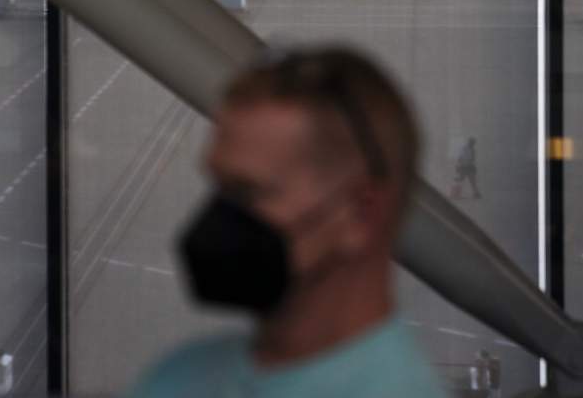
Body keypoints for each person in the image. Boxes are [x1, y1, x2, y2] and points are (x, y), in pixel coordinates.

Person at [127, 46, 446, 398]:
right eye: (219, 187)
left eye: (248, 192)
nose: (218, 216)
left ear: (362, 213)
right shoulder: (175, 377)